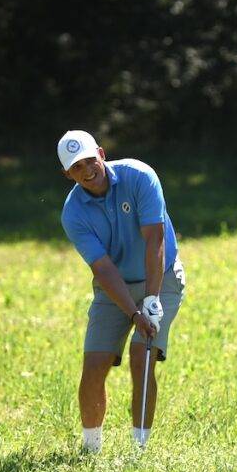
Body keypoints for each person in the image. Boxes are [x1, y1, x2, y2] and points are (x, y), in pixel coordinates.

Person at [57, 130, 186, 452]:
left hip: (162, 276)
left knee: (141, 355)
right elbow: (103, 269)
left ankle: (139, 450)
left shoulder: (139, 176)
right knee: (94, 363)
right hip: (113, 286)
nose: (87, 170)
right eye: (76, 167)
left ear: (101, 153)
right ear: (66, 174)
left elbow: (154, 239)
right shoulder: (73, 213)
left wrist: (152, 301)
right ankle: (91, 450)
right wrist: (133, 311)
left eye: (90, 160)